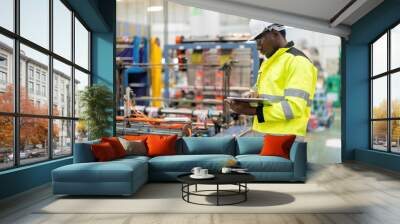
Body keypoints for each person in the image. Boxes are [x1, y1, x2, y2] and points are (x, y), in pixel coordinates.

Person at [228, 20, 317, 139]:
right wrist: (250, 98)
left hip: (284, 140)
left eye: (260, 40)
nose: (258, 46)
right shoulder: (269, 62)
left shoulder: (297, 62)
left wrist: (253, 111)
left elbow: (294, 108)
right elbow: (262, 92)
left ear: (274, 33)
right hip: (265, 135)